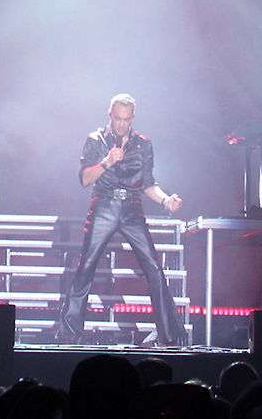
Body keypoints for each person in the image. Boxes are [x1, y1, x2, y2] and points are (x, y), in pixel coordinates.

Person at [55, 93, 187, 347]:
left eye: (126, 120)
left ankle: (170, 336)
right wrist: (106, 162)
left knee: (154, 268)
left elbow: (148, 184)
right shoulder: (95, 140)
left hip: (132, 209)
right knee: (86, 266)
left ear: (132, 118)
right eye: (117, 119)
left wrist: (166, 200)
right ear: (110, 115)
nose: (121, 124)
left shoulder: (143, 144)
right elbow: (84, 179)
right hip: (103, 205)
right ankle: (70, 333)